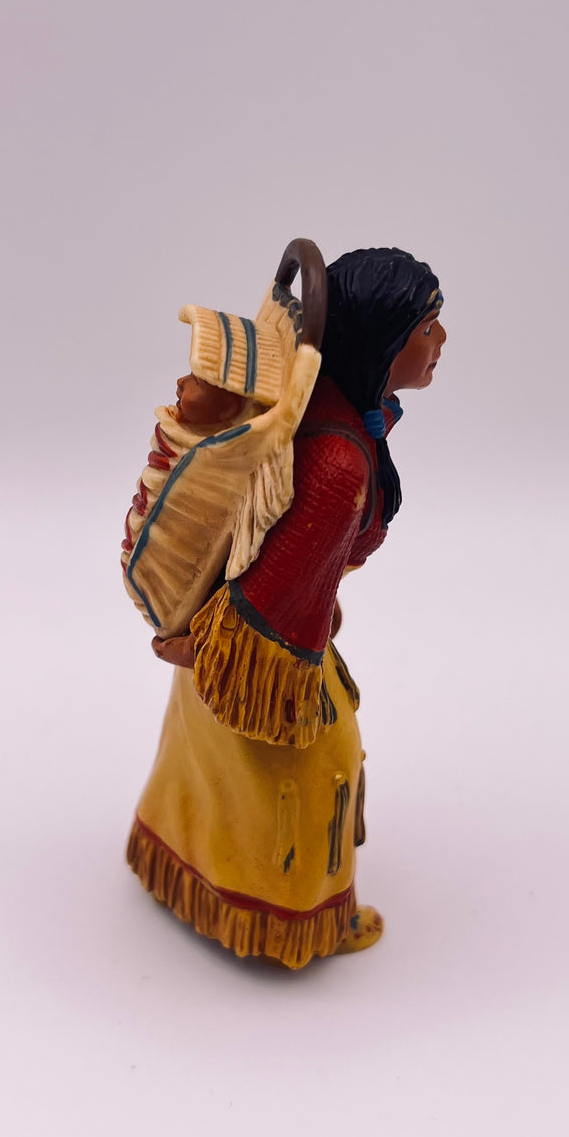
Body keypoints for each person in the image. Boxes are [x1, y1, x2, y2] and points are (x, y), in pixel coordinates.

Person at [126, 247, 446, 968]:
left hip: (223, 632)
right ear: (382, 339)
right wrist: (224, 656)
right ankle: (288, 920)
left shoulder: (338, 407)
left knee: (204, 763)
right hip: (251, 659)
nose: (441, 341)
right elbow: (274, 589)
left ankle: (181, 864)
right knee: (319, 768)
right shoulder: (340, 462)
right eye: (427, 326)